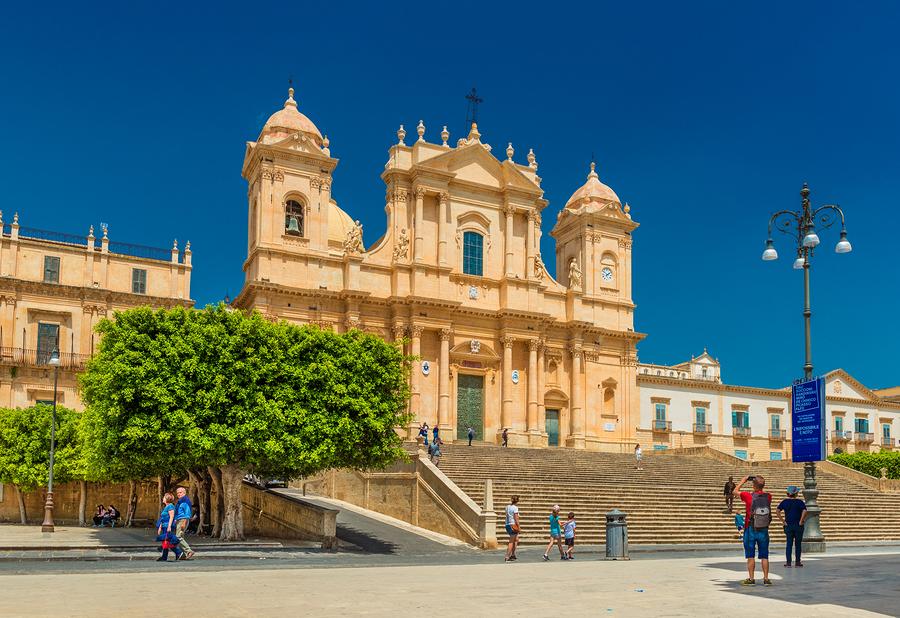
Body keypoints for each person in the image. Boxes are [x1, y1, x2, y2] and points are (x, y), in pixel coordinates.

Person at [734, 474, 772, 586]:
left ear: (753, 485)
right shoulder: (768, 496)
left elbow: (735, 491)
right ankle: (766, 579)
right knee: (765, 555)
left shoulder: (748, 496)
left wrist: (743, 480)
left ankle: (751, 579)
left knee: (750, 555)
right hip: (764, 529)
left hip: (750, 528)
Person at [777, 485, 808, 568]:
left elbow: (777, 510)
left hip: (788, 525)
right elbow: (805, 510)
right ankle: (798, 562)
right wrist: (801, 520)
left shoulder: (784, 502)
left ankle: (788, 563)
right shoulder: (800, 502)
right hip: (798, 525)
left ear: (787, 494)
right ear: (796, 494)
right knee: (798, 544)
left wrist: (783, 521)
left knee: (789, 544)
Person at [156, 493, 183, 562]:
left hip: (168, 526)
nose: (163, 499)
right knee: (166, 541)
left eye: (164, 497)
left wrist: (169, 526)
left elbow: (171, 517)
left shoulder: (170, 506)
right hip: (164, 526)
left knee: (167, 541)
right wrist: (160, 527)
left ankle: (178, 552)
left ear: (167, 499)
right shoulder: (166, 506)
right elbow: (163, 518)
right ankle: (165, 556)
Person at [174, 487, 196, 560]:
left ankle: (189, 551)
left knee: (178, 537)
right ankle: (183, 554)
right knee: (181, 537)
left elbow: (187, 513)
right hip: (179, 520)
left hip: (182, 520)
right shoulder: (181, 501)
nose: (178, 494)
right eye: (177, 493)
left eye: (180, 492)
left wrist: (184, 522)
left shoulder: (185, 501)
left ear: (184, 493)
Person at [504, 495, 520, 562]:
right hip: (513, 525)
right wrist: (519, 526)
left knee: (516, 540)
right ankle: (507, 556)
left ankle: (513, 554)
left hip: (507, 525)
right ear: (517, 501)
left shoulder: (507, 507)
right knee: (511, 541)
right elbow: (516, 518)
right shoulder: (515, 508)